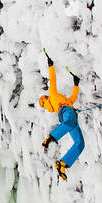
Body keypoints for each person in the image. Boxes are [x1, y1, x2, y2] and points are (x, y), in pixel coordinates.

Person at [39, 53, 83, 181]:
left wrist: (76, 85)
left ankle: (63, 164)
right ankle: (51, 138)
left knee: (80, 143)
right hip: (66, 113)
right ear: (45, 100)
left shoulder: (60, 99)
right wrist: (50, 66)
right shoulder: (52, 96)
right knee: (69, 121)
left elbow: (72, 99)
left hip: (71, 115)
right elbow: (52, 81)